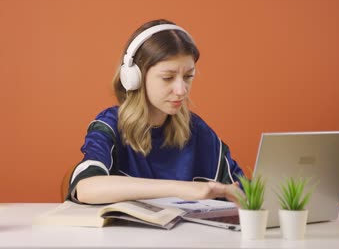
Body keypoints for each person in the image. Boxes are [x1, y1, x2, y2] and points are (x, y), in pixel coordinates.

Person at [67, 19, 245, 205]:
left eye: (188, 77)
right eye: (168, 77)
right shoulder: (110, 126)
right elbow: (85, 188)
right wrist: (179, 189)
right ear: (134, 78)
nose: (181, 90)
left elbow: (246, 194)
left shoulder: (199, 132)